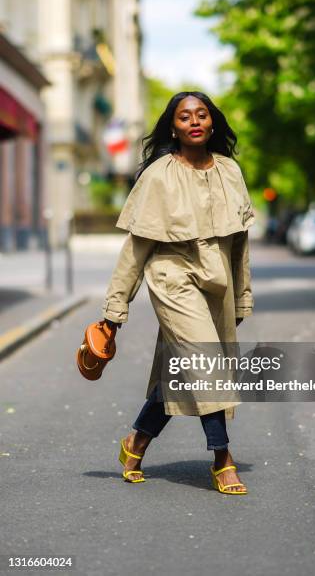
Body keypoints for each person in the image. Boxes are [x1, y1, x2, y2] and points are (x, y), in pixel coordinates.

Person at [102, 91, 255, 495]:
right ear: (173, 126)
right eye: (185, 116)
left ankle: (135, 443)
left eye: (201, 114)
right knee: (206, 361)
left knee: (184, 370)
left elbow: (240, 244)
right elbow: (136, 249)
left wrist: (242, 296)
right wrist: (115, 309)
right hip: (172, 276)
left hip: (218, 278)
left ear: (212, 122)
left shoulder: (230, 172)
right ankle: (223, 458)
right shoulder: (158, 175)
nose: (194, 121)